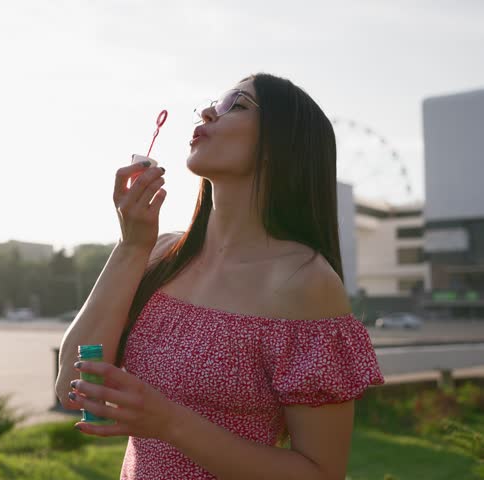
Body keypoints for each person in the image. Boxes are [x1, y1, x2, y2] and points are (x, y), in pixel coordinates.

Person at [55, 73, 385, 480]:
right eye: (212, 103)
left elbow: (321, 473)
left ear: (281, 144)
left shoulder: (305, 282)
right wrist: (131, 247)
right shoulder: (159, 254)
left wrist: (169, 422)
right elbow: (72, 383)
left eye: (238, 105)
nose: (209, 111)